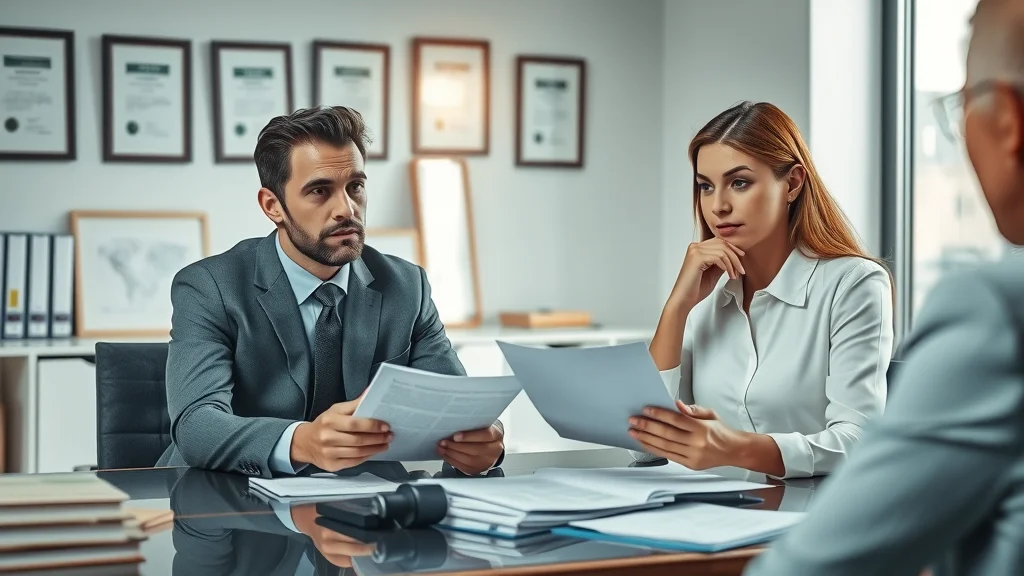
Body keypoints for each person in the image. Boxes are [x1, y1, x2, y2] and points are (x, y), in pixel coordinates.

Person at [746, 0, 1024, 573]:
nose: (719, 204)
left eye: (962, 104)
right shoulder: (712, 293)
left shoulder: (995, 311)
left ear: (1007, 123)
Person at [156, 106, 504, 478]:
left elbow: (460, 409)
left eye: (355, 186)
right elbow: (195, 424)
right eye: (320, 191)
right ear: (273, 206)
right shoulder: (210, 287)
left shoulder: (406, 286)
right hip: (227, 504)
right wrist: (301, 442)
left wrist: (487, 442)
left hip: (365, 506)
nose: (346, 209)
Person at [630, 102, 894, 479]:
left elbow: (859, 441)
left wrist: (734, 448)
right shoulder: (704, 299)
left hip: (808, 521)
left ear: (793, 183)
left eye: (739, 183)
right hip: (706, 518)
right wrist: (676, 309)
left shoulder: (853, 285)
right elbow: (645, 445)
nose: (718, 206)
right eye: (706, 186)